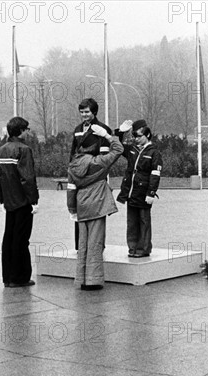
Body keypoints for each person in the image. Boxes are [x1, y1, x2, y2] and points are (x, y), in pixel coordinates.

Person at [67, 125, 123, 290]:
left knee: (82, 243)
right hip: (97, 203)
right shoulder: (99, 162)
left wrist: (72, 209)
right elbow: (118, 149)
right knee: (95, 243)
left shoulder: (73, 165)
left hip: (81, 204)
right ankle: (93, 280)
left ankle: (81, 279)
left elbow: (71, 189)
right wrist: (107, 135)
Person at [0, 117, 39, 288]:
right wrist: (33, 201)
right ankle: (20, 277)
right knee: (21, 239)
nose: (28, 132)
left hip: (9, 202)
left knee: (9, 237)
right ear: (21, 131)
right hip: (22, 202)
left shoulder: (0, 151)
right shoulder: (24, 150)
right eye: (26, 129)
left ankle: (8, 277)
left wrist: (1, 197)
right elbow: (27, 178)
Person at [115, 120, 162, 257]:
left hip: (144, 193)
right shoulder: (132, 150)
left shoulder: (154, 153)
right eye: (134, 136)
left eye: (139, 136)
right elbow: (117, 146)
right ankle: (133, 248)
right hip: (131, 192)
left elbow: (155, 174)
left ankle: (143, 249)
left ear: (147, 135)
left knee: (144, 222)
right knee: (132, 223)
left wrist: (151, 193)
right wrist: (121, 132)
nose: (136, 139)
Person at [70, 98, 112, 251]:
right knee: (80, 209)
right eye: (81, 112)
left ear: (94, 112)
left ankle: (97, 247)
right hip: (79, 176)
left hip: (96, 176)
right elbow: (73, 153)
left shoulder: (103, 129)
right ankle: (80, 247)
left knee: (97, 213)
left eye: (87, 112)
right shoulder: (77, 129)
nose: (84, 115)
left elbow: (105, 158)